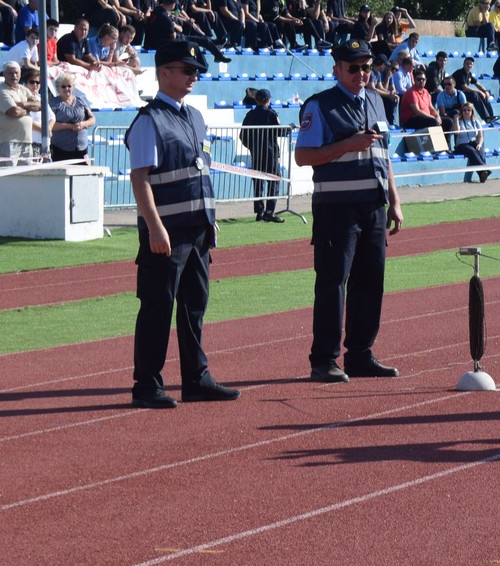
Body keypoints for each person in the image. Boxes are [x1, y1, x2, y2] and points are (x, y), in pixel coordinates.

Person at [124, 42, 240, 409]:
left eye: (196, 72)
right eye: (186, 70)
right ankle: (147, 384)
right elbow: (140, 178)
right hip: (167, 233)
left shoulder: (194, 117)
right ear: (164, 73)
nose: (194, 77)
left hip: (197, 230)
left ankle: (196, 379)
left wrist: (211, 222)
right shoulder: (149, 120)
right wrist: (155, 228)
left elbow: (199, 174)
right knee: (157, 306)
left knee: (194, 306)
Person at [294, 36, 405, 383]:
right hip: (336, 210)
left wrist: (395, 199)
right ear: (337, 70)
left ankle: (360, 354)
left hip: (372, 206)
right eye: (353, 68)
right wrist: (348, 145)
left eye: (367, 67)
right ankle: (324, 359)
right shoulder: (320, 106)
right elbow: (303, 157)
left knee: (371, 284)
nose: (361, 73)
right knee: (333, 283)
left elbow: (382, 156)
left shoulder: (375, 101)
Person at [241, 87, 287, 222]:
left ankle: (259, 212)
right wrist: (288, 128)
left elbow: (242, 136)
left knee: (258, 183)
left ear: (256, 100)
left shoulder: (250, 115)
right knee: (274, 181)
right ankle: (269, 212)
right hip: (270, 154)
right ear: (268, 100)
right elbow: (280, 132)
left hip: (256, 154)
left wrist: (252, 148)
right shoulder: (271, 114)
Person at [47, 73, 94, 163]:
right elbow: (50, 124)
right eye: (63, 86)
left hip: (81, 147)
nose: (67, 89)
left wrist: (83, 124)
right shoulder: (53, 103)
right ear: (58, 88)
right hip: (61, 148)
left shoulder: (80, 101)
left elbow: (92, 119)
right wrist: (69, 126)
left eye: (69, 86)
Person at [0, 61, 40, 163]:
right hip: (8, 142)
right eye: (10, 73)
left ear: (20, 74)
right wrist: (29, 107)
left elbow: (39, 106)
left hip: (27, 141)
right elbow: (14, 112)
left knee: (27, 176)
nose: (14, 75)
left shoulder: (23, 89)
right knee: (9, 176)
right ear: (4, 74)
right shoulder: (1, 90)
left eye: (16, 73)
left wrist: (20, 104)